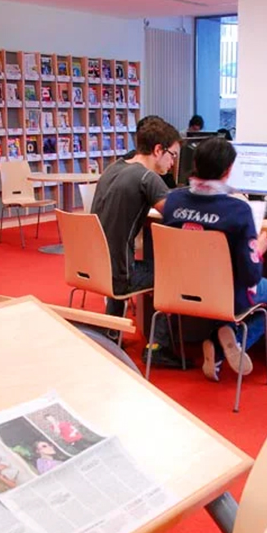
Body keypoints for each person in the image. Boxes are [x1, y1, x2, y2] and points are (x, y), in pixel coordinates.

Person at [162, 138, 267, 382]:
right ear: (228, 170)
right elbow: (251, 274)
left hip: (180, 289)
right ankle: (227, 343)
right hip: (226, 294)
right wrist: (260, 248)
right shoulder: (238, 210)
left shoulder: (173, 201)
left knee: (217, 278)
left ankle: (222, 337)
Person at [92, 117, 183, 366]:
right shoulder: (147, 178)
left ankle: (110, 334)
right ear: (157, 150)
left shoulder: (114, 167)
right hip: (119, 275)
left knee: (125, 255)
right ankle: (158, 347)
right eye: (172, 155)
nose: (174, 163)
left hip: (96, 267)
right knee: (171, 275)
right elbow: (177, 213)